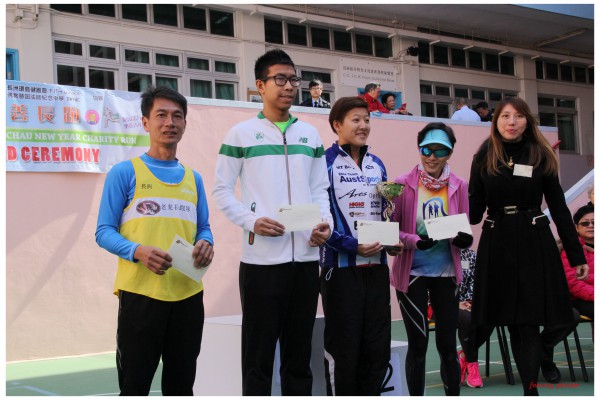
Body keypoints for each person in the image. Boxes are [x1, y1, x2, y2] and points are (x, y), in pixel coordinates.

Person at [212, 49, 332, 396]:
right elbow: (221, 190)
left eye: (293, 79)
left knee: (299, 357)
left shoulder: (310, 135)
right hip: (261, 263)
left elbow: (319, 188)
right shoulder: (241, 134)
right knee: (258, 357)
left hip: (305, 261)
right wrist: (251, 221)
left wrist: (323, 223)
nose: (289, 86)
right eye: (280, 79)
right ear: (260, 85)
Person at [95, 86, 215, 395]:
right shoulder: (124, 173)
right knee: (135, 387)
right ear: (146, 122)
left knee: (181, 387)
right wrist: (137, 251)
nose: (170, 122)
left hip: (188, 296)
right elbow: (104, 231)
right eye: (161, 115)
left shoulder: (194, 178)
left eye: (177, 116)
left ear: (185, 123)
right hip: (141, 296)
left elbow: (203, 228)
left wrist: (206, 243)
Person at [468, 96, 589, 395]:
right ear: (496, 121)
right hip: (497, 243)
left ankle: (530, 391)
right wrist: (447, 198)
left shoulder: (540, 153)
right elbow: (474, 211)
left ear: (527, 121)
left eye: (518, 116)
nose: (512, 122)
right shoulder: (484, 154)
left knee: (528, 324)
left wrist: (576, 256)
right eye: (505, 116)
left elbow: (559, 207)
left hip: (534, 242)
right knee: (512, 323)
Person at [319, 96, 403, 395]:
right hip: (340, 272)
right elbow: (320, 222)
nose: (363, 125)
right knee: (344, 351)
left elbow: (385, 212)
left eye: (367, 119)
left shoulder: (377, 165)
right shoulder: (324, 163)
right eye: (355, 120)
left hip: (377, 270)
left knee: (376, 350)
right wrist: (353, 246)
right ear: (337, 125)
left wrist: (391, 241)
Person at [390, 122, 472, 396]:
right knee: (418, 344)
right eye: (427, 150)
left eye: (440, 151)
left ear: (450, 153)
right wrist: (415, 240)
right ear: (419, 149)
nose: (432, 157)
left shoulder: (459, 185)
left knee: (447, 345)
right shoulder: (401, 184)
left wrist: (463, 239)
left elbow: (463, 228)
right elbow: (391, 230)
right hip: (411, 274)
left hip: (447, 274)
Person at [457, 248, 579, 386]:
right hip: (515, 302)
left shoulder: (542, 247)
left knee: (571, 315)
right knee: (493, 316)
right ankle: (470, 359)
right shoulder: (499, 251)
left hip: (540, 298)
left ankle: (540, 353)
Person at [562, 204, 594, 319]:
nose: (591, 226)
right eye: (585, 223)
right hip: (580, 299)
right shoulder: (569, 251)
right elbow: (573, 283)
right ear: (576, 228)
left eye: (595, 222)